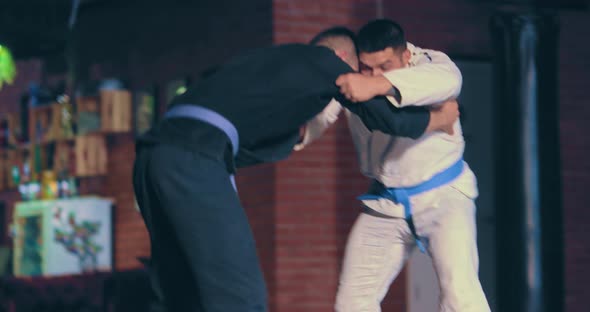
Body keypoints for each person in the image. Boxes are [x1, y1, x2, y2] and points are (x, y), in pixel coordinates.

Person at [132, 26, 459, 312]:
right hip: (195, 159)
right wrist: (438, 120)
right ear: (343, 55)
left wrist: (298, 134)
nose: (360, 79)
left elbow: (250, 141)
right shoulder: (326, 62)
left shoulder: (269, 63)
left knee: (177, 293)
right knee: (240, 296)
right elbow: (384, 118)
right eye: (359, 69)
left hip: (153, 157)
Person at [296, 20, 490, 311]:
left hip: (444, 197)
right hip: (386, 204)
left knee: (460, 295)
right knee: (352, 303)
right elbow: (322, 116)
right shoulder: (355, 77)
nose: (374, 74)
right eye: (367, 68)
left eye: (385, 66)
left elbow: (448, 81)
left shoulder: (432, 64)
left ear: (406, 56)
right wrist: (289, 134)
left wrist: (373, 85)